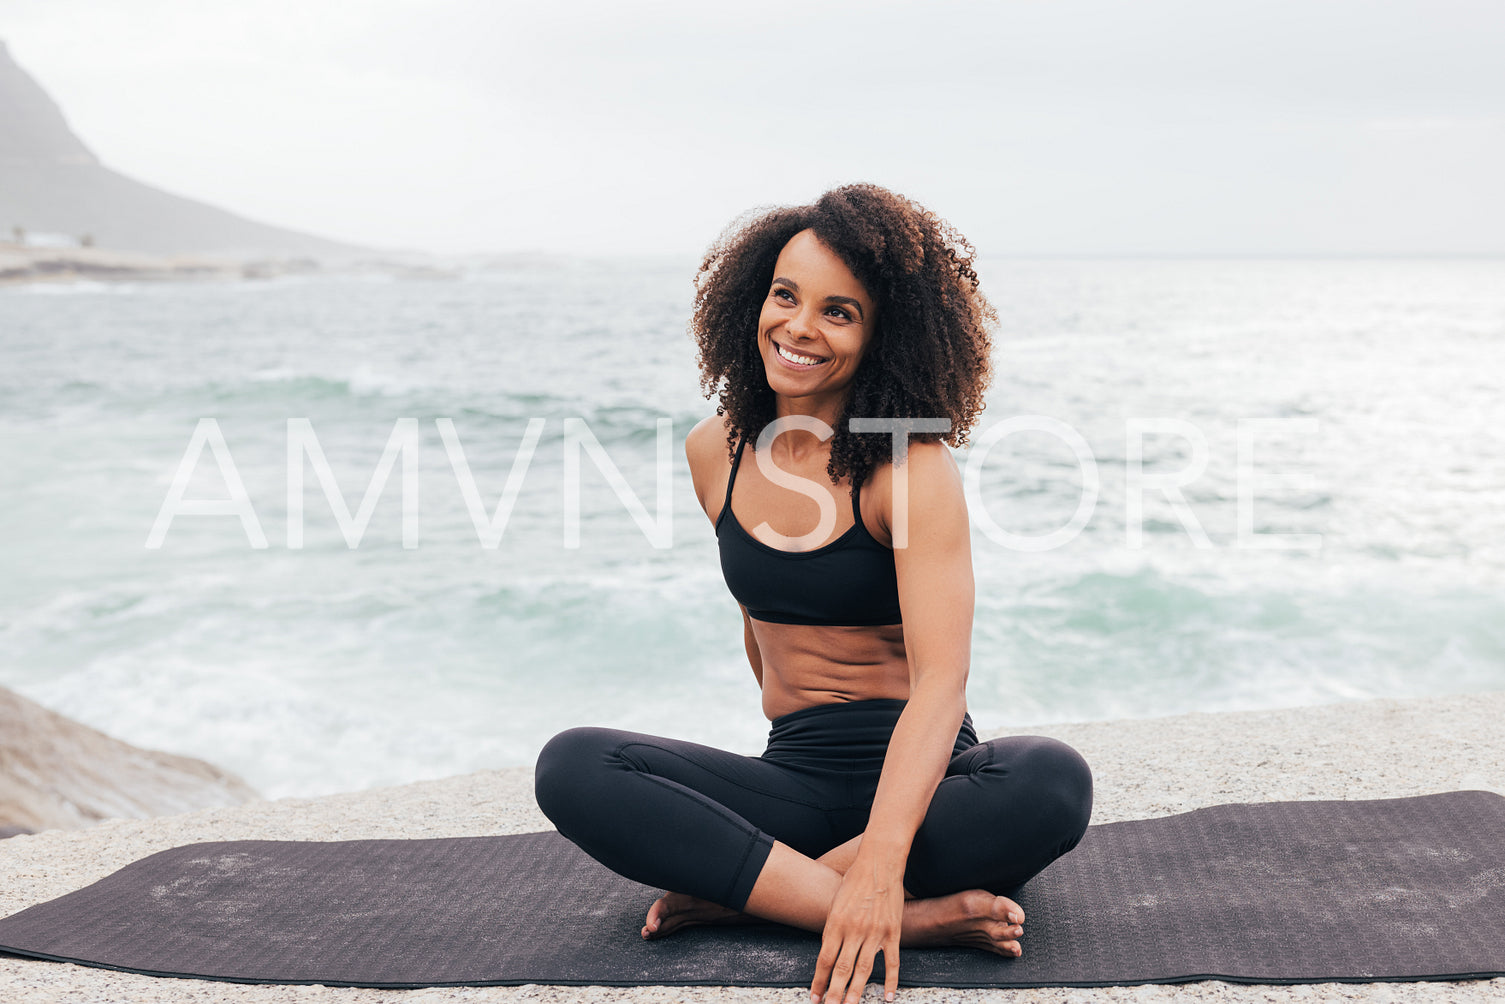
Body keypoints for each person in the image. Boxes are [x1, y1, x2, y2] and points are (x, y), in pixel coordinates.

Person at [534, 183, 1092, 1004]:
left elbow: (941, 683)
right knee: (575, 764)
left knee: (1050, 779)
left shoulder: (908, 468)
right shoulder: (712, 453)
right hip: (793, 780)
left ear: (881, 338)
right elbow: (759, 634)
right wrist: (875, 897)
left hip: (927, 788)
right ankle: (909, 916)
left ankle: (760, 896)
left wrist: (878, 859)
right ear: (751, 299)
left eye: (838, 312)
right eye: (785, 295)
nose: (797, 328)